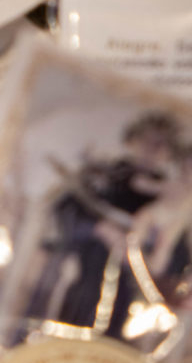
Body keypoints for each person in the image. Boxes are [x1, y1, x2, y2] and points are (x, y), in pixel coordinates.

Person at [23, 112, 180, 339]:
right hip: (80, 269)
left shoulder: (170, 199)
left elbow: (171, 257)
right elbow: (65, 211)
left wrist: (143, 253)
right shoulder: (104, 177)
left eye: (161, 144)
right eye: (146, 140)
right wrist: (99, 228)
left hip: (128, 289)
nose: (151, 149)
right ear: (132, 140)